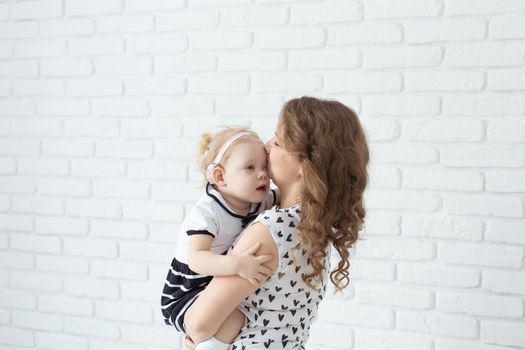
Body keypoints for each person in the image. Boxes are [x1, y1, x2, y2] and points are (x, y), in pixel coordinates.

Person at [182, 96, 370, 349]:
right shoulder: (317, 222)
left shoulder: (272, 229)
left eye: (279, 142)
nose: (267, 146)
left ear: (305, 165)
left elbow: (198, 324)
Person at [160, 126, 281, 349]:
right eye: (250, 167)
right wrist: (237, 264)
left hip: (211, 286)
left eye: (264, 166)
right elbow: (196, 258)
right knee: (234, 319)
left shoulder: (259, 200)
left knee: (237, 317)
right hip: (186, 292)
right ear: (220, 176)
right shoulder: (207, 212)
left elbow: (289, 193)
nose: (263, 173)